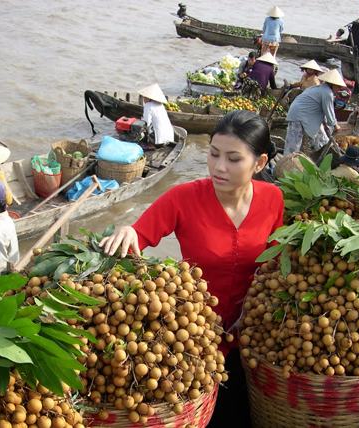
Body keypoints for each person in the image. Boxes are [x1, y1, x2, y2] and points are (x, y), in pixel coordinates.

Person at [100, 110, 284, 427]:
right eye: (213, 154)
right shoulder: (183, 198)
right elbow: (139, 234)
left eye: (233, 159)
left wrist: (251, 314)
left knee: (243, 414)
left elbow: (276, 265)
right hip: (194, 339)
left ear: (260, 163)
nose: (219, 167)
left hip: (252, 334)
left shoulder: (274, 198)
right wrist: (127, 232)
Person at [284, 69, 347, 155]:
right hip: (298, 114)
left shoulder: (322, 89)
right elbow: (330, 113)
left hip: (306, 114)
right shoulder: (327, 92)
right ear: (333, 85)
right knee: (293, 144)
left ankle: (323, 155)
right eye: (338, 87)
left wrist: (329, 124)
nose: (339, 89)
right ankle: (287, 162)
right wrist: (335, 125)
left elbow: (325, 112)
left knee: (322, 140)